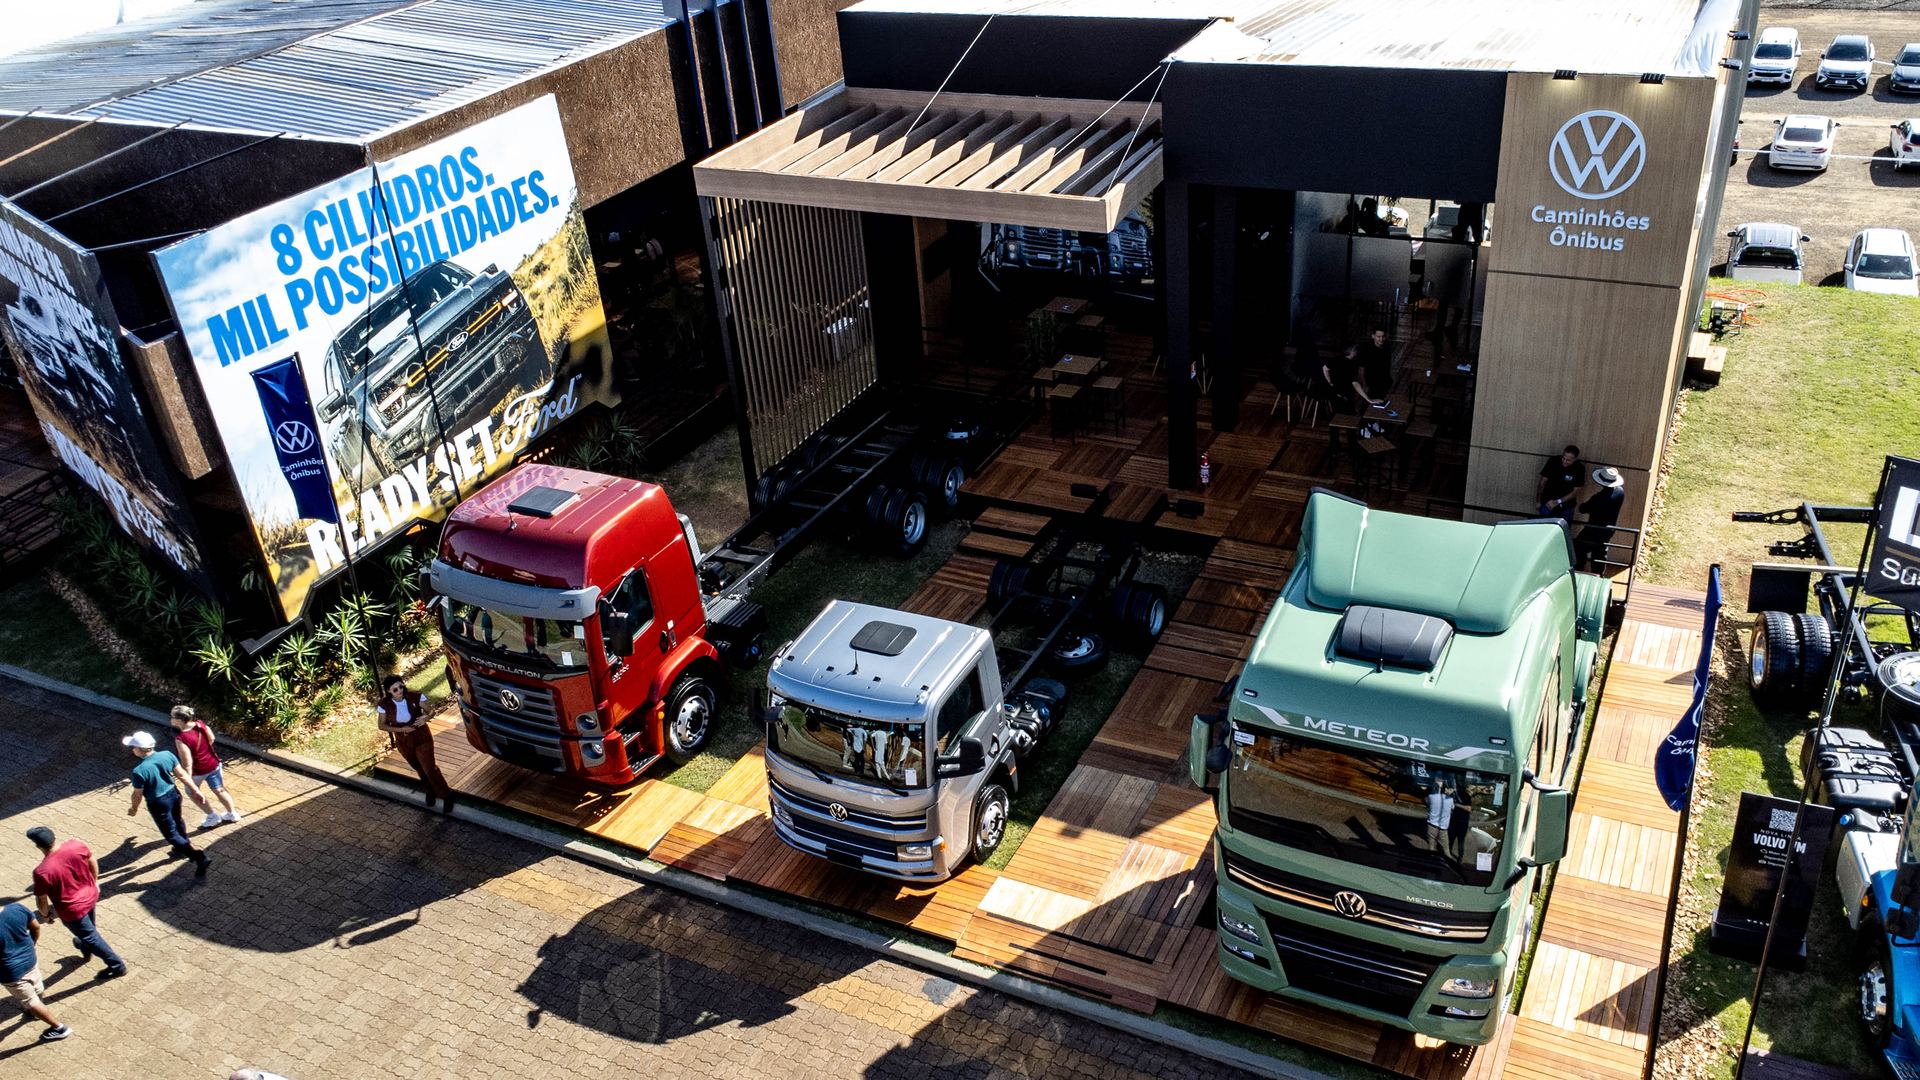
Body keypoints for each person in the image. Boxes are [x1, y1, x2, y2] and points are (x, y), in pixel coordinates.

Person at [27, 826, 124, 979]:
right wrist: (94, 882)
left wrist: (45, 915)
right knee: (88, 931)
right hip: (91, 895)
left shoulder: (42, 872)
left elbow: (41, 899)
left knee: (91, 937)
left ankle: (117, 966)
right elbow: (92, 861)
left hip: (72, 911)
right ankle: (84, 946)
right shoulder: (76, 845)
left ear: (38, 846)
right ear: (54, 837)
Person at [123, 730, 210, 876]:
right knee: (178, 820)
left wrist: (134, 808)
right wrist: (196, 790)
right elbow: (182, 775)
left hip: (158, 802)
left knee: (171, 834)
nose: (132, 749)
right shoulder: (167, 755)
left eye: (133, 747)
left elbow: (137, 794)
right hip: (174, 794)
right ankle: (181, 848)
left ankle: (198, 857)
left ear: (140, 749)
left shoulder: (139, 771)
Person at [377, 676, 453, 812]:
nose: (399, 690)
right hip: (403, 741)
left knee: (429, 768)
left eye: (401, 687)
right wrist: (401, 729)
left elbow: (431, 711)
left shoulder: (415, 697)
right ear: (388, 691)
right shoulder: (384, 705)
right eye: (395, 689)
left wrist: (426, 717)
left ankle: (446, 795)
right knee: (418, 767)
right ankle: (430, 791)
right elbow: (381, 725)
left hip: (421, 737)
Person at [1, 901, 71, 1041]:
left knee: (30, 1002)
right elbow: (36, 927)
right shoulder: (16, 908)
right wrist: (32, 944)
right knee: (37, 984)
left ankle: (59, 1028)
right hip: (30, 959)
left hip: (11, 972)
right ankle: (38, 1008)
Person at [171, 705, 241, 829]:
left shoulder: (181, 739)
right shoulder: (200, 724)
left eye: (172, 717)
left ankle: (212, 816)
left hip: (198, 771)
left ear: (179, 720)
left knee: (192, 792)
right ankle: (232, 813)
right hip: (213, 764)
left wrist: (188, 779)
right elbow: (211, 738)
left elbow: (187, 762)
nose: (171, 719)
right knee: (219, 789)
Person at [1576, 466, 1628, 572]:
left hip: (1593, 529)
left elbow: (1583, 509)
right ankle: (1599, 575)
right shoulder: (1620, 492)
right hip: (1608, 530)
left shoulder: (1599, 498)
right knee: (1599, 555)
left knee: (1578, 547)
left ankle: (1579, 570)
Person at [1323, 346, 1382, 412]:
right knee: (1348, 414)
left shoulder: (1336, 358)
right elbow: (1355, 383)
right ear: (1352, 352)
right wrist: (1368, 399)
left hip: (1334, 393)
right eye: (1355, 350)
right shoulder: (1351, 365)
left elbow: (1325, 368)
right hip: (1345, 396)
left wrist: (1329, 382)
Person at [1536, 445, 1584, 522]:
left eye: (1568, 460)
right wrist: (1538, 501)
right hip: (1548, 502)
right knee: (1544, 525)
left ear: (1575, 459)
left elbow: (1576, 491)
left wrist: (1558, 502)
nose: (1564, 461)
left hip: (1566, 506)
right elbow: (1542, 482)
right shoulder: (1553, 461)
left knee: (1563, 527)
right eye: (1563, 458)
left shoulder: (1579, 468)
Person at [1355, 328, 1393, 401]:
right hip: (1371, 382)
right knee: (1369, 401)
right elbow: (1361, 368)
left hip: (1384, 380)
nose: (1381, 339)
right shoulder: (1366, 348)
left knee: (1381, 400)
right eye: (1378, 337)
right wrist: (1364, 384)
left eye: (1383, 336)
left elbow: (1387, 364)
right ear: (1373, 336)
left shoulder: (1387, 346)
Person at [1424, 781, 1455, 857]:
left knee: (1431, 848)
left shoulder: (1431, 797)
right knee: (1446, 851)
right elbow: (1452, 808)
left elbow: (1426, 801)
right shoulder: (1450, 799)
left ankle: (1431, 861)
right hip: (1443, 828)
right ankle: (1448, 862)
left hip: (1431, 825)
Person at [1448, 786, 1473, 864]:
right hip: (1455, 822)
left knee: (1460, 841)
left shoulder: (1466, 796)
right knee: (1452, 840)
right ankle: (1449, 854)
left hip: (1462, 823)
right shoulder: (1454, 795)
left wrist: (1456, 805)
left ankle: (1460, 857)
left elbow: (1469, 808)